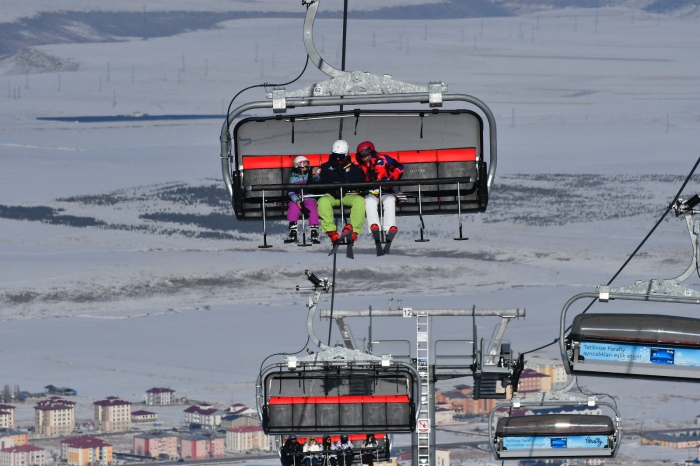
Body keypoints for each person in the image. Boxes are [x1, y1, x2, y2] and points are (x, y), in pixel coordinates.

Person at [317, 140, 366, 244]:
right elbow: (319, 182)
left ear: (346, 154)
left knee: (359, 201)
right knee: (323, 202)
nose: (338, 159)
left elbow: (360, 181)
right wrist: (331, 186)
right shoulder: (326, 167)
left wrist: (347, 184)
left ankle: (353, 231)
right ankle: (331, 232)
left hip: (347, 195)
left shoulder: (353, 168)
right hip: (331, 195)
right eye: (336, 156)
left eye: (341, 156)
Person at [355, 141, 405, 241]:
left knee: (390, 200)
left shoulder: (384, 159)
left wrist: (391, 180)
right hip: (372, 192)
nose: (364, 157)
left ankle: (389, 229)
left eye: (366, 153)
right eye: (361, 155)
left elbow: (400, 167)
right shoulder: (361, 167)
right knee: (369, 201)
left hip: (387, 191)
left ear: (372, 150)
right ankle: (374, 229)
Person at [286, 155, 321, 244]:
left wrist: (314, 175)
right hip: (297, 197)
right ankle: (293, 231)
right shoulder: (293, 178)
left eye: (307, 164)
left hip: (308, 196)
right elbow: (290, 191)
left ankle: (314, 231)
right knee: (293, 208)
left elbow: (317, 182)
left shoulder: (309, 176)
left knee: (312, 208)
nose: (305, 167)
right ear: (296, 166)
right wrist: (296, 200)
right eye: (303, 164)